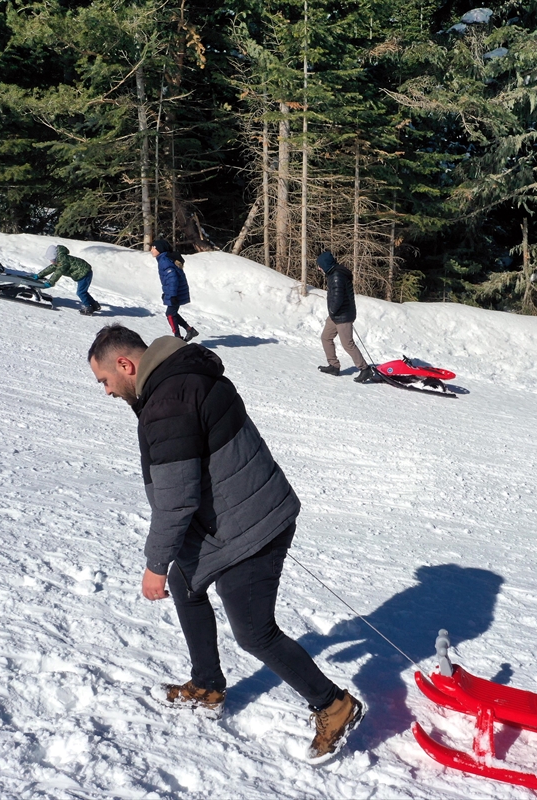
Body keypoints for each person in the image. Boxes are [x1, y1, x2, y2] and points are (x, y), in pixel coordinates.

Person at [87, 324, 364, 763]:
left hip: (251, 525)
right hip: (240, 513)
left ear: (125, 365)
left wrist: (155, 564)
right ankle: (209, 684)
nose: (106, 391)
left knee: (253, 632)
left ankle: (334, 705)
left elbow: (177, 499)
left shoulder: (167, 402)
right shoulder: (183, 375)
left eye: (104, 380)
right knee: (187, 585)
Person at [315, 250, 374, 382]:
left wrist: (332, 310)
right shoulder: (334, 274)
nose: (319, 268)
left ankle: (365, 369)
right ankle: (334, 366)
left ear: (325, 264)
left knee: (347, 344)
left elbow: (337, 298)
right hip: (336, 315)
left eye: (319, 266)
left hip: (342, 315)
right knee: (326, 337)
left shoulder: (336, 276)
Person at [152, 238, 198, 341]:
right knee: (172, 313)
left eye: (154, 248)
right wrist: (167, 293)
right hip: (175, 291)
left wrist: (172, 295)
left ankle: (177, 338)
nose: (151, 250)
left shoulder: (164, 261)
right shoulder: (165, 259)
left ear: (160, 249)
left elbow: (172, 278)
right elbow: (169, 280)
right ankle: (189, 330)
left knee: (169, 314)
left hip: (176, 292)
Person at [38, 245, 100, 316]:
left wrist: (50, 282)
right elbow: (51, 268)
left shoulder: (63, 261)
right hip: (84, 273)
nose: (51, 262)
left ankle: (88, 308)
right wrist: (39, 275)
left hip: (84, 273)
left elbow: (58, 272)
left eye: (52, 260)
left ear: (55, 257)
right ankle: (95, 305)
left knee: (80, 292)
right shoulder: (60, 259)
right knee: (83, 292)